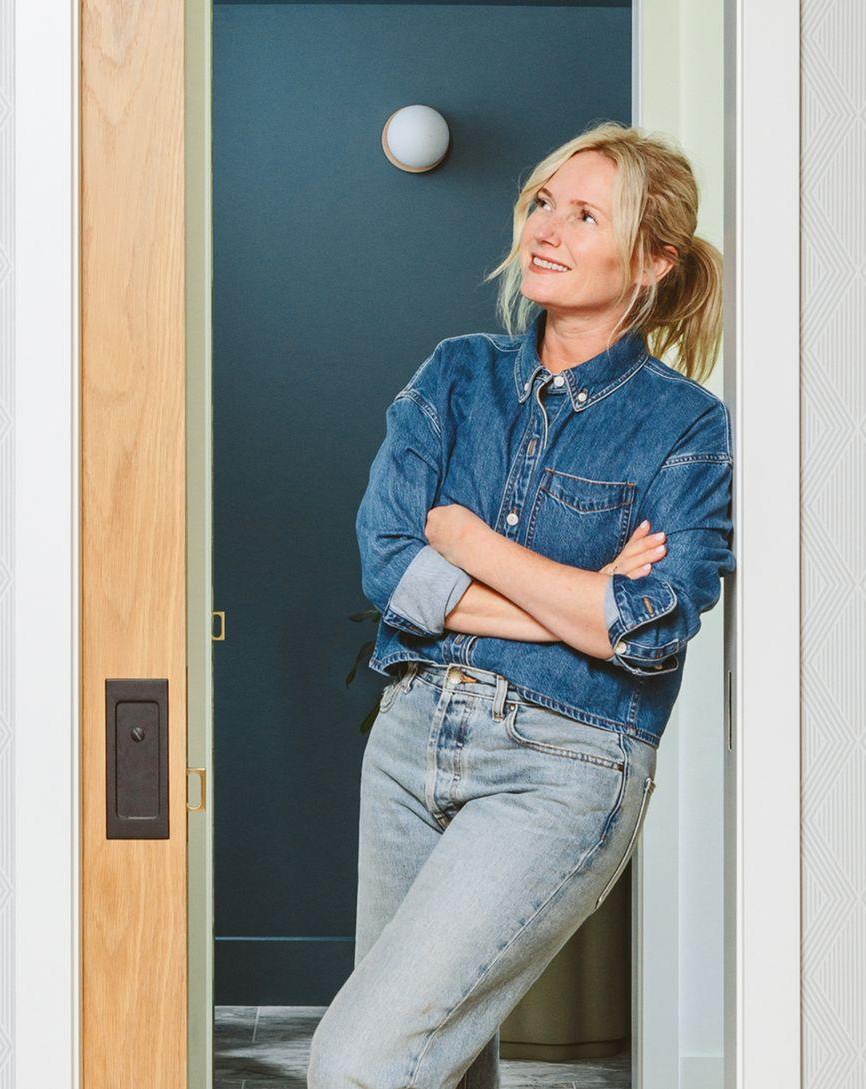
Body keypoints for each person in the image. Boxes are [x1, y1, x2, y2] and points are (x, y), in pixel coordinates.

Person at [306, 122, 733, 1089]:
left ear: (653, 259)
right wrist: (578, 605)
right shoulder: (456, 375)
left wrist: (472, 543)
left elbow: (651, 628)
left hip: (564, 764)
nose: (548, 228)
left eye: (586, 215)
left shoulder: (687, 427)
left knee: (359, 1061)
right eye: (544, 201)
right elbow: (388, 567)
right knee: (440, 1064)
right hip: (410, 736)